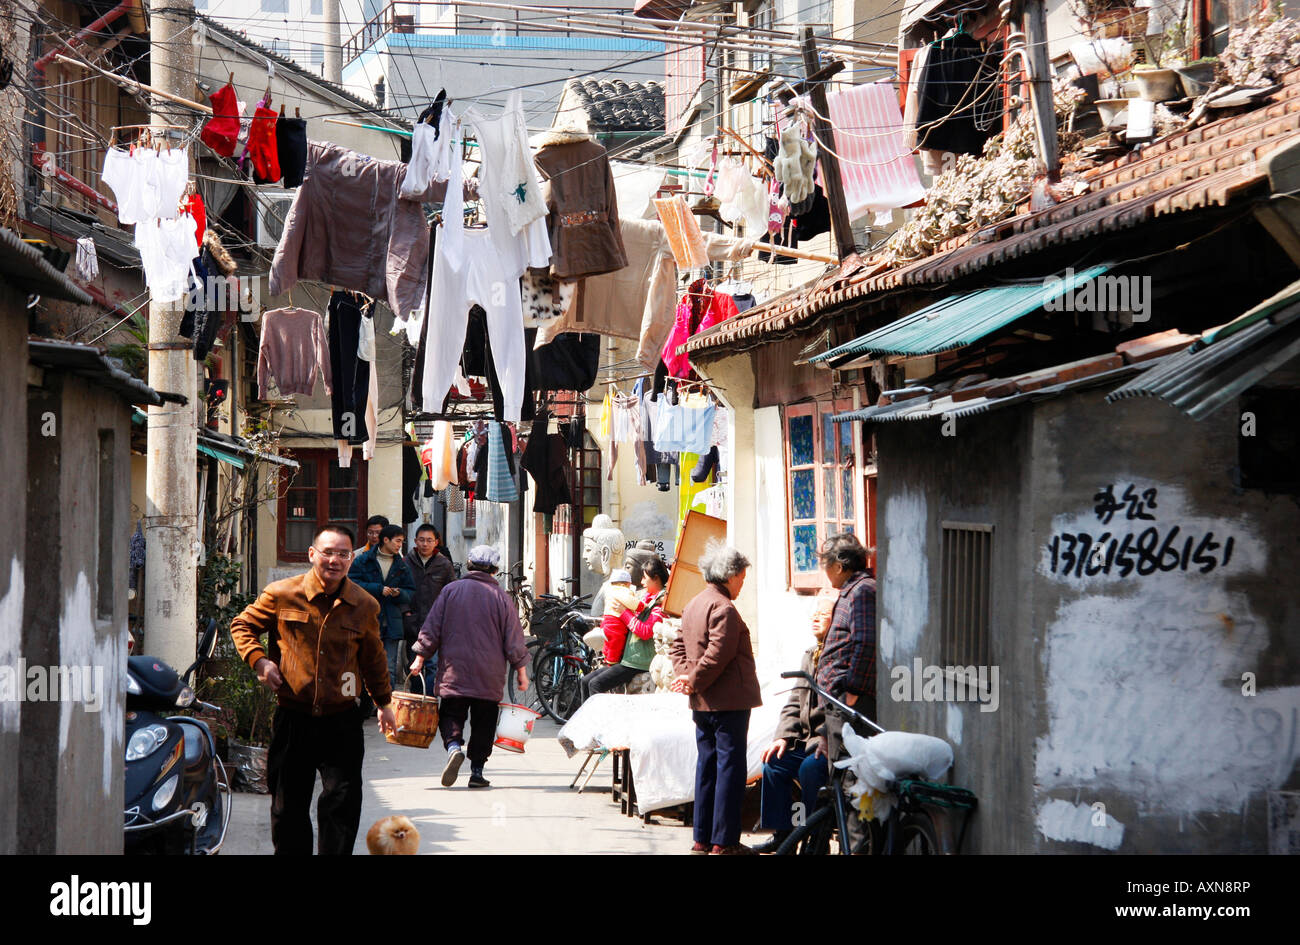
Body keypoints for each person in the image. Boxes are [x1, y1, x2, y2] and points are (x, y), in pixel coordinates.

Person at [228, 524, 396, 855]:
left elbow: (374, 659)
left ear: (351, 558)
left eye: (343, 554)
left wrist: (384, 703)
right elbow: (242, 625)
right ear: (312, 554)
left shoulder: (364, 605)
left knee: (341, 806)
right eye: (328, 552)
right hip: (294, 718)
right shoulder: (281, 594)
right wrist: (260, 661)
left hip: (342, 721)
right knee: (287, 807)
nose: (334, 560)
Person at [410, 545, 529, 789]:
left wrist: (420, 657)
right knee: (484, 721)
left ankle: (454, 747)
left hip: (455, 670)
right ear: (495, 570)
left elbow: (432, 626)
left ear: (469, 564)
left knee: (451, 714)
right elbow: (514, 638)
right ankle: (477, 772)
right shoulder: (502, 599)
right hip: (489, 674)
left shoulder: (450, 591)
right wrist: (521, 671)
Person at [670, 542, 761, 855]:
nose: (742, 585)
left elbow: (678, 648)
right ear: (731, 575)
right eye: (742, 578)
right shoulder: (724, 608)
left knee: (707, 767)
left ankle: (702, 839)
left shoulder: (695, 603)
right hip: (727, 702)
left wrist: (687, 679)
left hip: (703, 701)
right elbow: (718, 655)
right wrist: (691, 680)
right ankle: (724, 842)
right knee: (729, 770)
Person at [751, 582, 838, 853]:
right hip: (806, 741)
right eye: (815, 613)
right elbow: (794, 699)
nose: (815, 618)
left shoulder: (839, 657)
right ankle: (784, 834)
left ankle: (816, 839)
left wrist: (824, 735)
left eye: (823, 615)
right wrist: (783, 736)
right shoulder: (810, 655)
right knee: (774, 763)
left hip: (831, 742)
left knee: (810, 770)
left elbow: (838, 706)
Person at [813, 533, 877, 760]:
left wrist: (853, 692)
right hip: (840, 704)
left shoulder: (862, 591)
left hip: (851, 704)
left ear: (839, 567)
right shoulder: (852, 591)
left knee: (850, 773)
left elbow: (867, 642)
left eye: (826, 565)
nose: (825, 572)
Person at [579, 556, 668, 702]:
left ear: (656, 578)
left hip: (638, 662)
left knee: (596, 684)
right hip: (628, 659)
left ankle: (599, 722)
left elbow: (645, 632)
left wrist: (623, 612)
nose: (641, 582)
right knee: (585, 681)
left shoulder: (660, 605)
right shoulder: (647, 599)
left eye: (645, 578)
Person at [349, 523, 415, 689]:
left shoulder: (401, 565)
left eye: (402, 542)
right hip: (367, 620)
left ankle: (387, 704)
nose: (400, 545)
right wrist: (378, 589)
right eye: (397, 541)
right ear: (386, 540)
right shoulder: (363, 560)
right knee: (366, 664)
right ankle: (368, 704)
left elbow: (411, 591)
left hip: (391, 622)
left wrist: (399, 593)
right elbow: (351, 584)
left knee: (389, 667)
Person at [403, 523, 455, 691]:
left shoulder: (444, 564)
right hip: (413, 621)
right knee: (413, 665)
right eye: (421, 540)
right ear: (415, 541)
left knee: (433, 665)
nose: (425, 544)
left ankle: (430, 703)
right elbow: (399, 588)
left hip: (436, 622)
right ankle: (417, 700)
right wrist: (406, 611)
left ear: (436, 542)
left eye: (429, 540)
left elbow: (452, 592)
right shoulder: (406, 562)